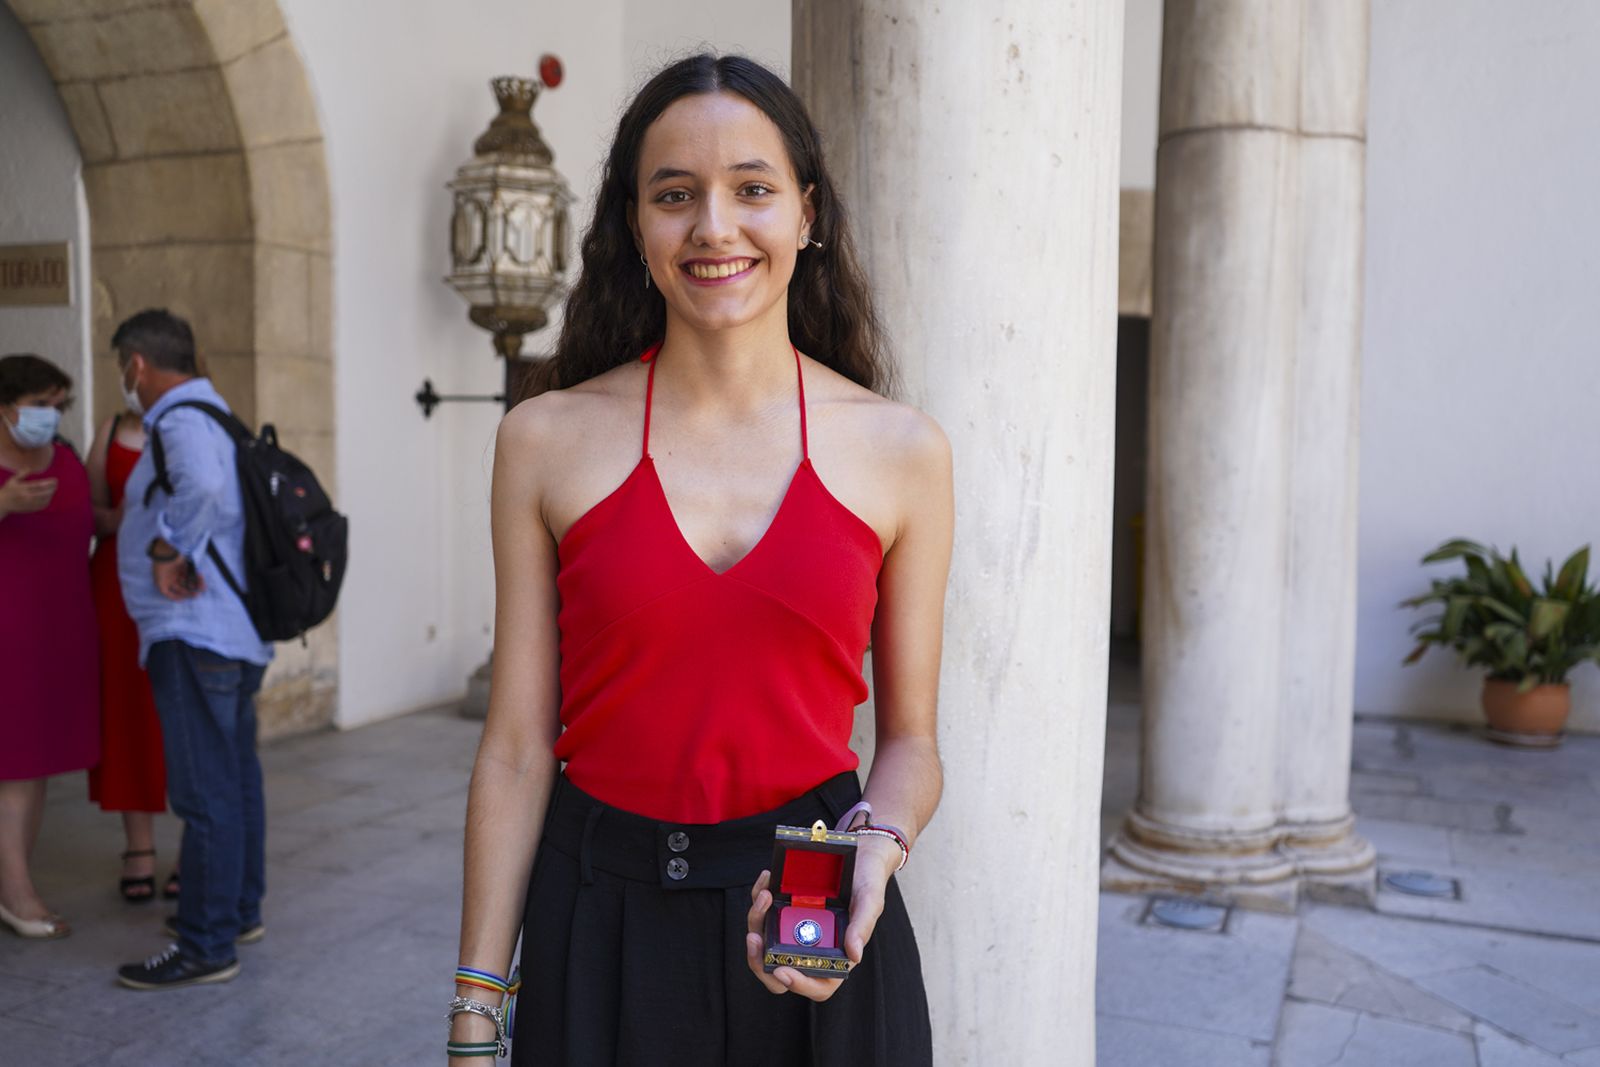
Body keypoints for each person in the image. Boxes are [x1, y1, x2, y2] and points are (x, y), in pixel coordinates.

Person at [449, 54, 953, 1066]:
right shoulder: (543, 440)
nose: (714, 226)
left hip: (809, 913)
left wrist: (875, 852)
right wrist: (473, 1011)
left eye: (752, 190)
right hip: (597, 922)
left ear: (805, 214)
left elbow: (909, 742)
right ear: (635, 225)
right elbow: (513, 745)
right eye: (674, 194)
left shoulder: (902, 450)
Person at [109, 309, 273, 990]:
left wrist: (166, 548)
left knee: (205, 792)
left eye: (123, 367)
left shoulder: (177, 418)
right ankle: (235, 912)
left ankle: (206, 944)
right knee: (233, 780)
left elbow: (201, 490)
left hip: (196, 632)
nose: (125, 379)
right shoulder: (216, 414)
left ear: (137, 365)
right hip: (229, 634)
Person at [0, 354, 100, 940]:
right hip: (7, 629)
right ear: (6, 406)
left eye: (59, 405)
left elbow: (91, 521)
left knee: (33, 765)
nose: (51, 416)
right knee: (13, 763)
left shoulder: (64, 456)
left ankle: (15, 880)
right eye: (40, 404)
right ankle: (17, 894)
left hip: (58, 628)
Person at [85, 407, 173, 903]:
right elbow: (90, 511)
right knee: (126, 717)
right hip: (116, 589)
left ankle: (193, 853)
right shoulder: (112, 430)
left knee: (176, 722)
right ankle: (138, 848)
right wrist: (117, 517)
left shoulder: (194, 426)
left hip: (178, 589)